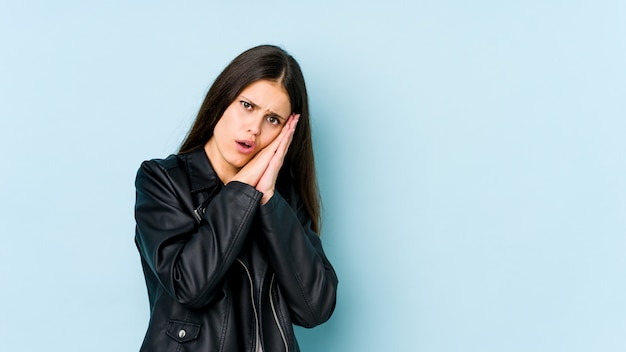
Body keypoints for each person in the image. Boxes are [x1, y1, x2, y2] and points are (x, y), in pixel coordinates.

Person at [134, 44, 338, 352]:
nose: (253, 128)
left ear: (286, 133)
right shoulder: (162, 180)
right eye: (247, 105)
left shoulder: (283, 198)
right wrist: (245, 189)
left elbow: (315, 309)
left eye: (273, 120)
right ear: (222, 100)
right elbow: (189, 286)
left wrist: (268, 198)